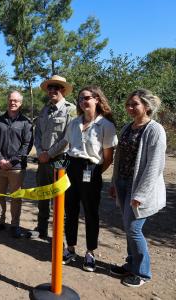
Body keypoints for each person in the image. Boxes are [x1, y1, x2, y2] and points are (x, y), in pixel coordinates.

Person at [51, 86, 117, 272]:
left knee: (91, 213)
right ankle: (70, 249)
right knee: (70, 211)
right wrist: (48, 154)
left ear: (97, 99)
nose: (82, 101)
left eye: (86, 98)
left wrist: (95, 172)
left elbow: (108, 157)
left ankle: (90, 252)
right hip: (72, 167)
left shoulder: (106, 125)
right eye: (80, 99)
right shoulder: (74, 123)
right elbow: (65, 144)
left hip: (92, 169)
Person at [109, 89, 166, 287]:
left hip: (140, 189)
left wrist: (140, 194)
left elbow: (154, 166)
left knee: (133, 229)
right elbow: (119, 158)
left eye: (135, 104)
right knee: (127, 226)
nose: (130, 108)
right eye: (128, 104)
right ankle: (131, 264)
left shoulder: (154, 130)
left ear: (147, 106)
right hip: (124, 184)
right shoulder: (127, 127)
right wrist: (115, 183)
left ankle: (143, 273)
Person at [30, 75, 76, 239]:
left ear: (63, 90)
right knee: (43, 194)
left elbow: (68, 138)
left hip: (60, 161)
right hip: (43, 160)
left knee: (59, 199)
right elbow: (38, 133)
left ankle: (58, 236)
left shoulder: (71, 110)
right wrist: (40, 152)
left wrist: (49, 154)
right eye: (50, 88)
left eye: (56, 88)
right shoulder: (45, 109)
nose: (52, 91)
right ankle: (41, 228)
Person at [0, 90, 33, 238]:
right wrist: (0, 159)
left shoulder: (26, 122)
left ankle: (15, 225)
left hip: (17, 168)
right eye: (11, 100)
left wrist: (12, 161)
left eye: (16, 101)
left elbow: (27, 144)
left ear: (21, 103)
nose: (13, 102)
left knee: (16, 197)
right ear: (7, 100)